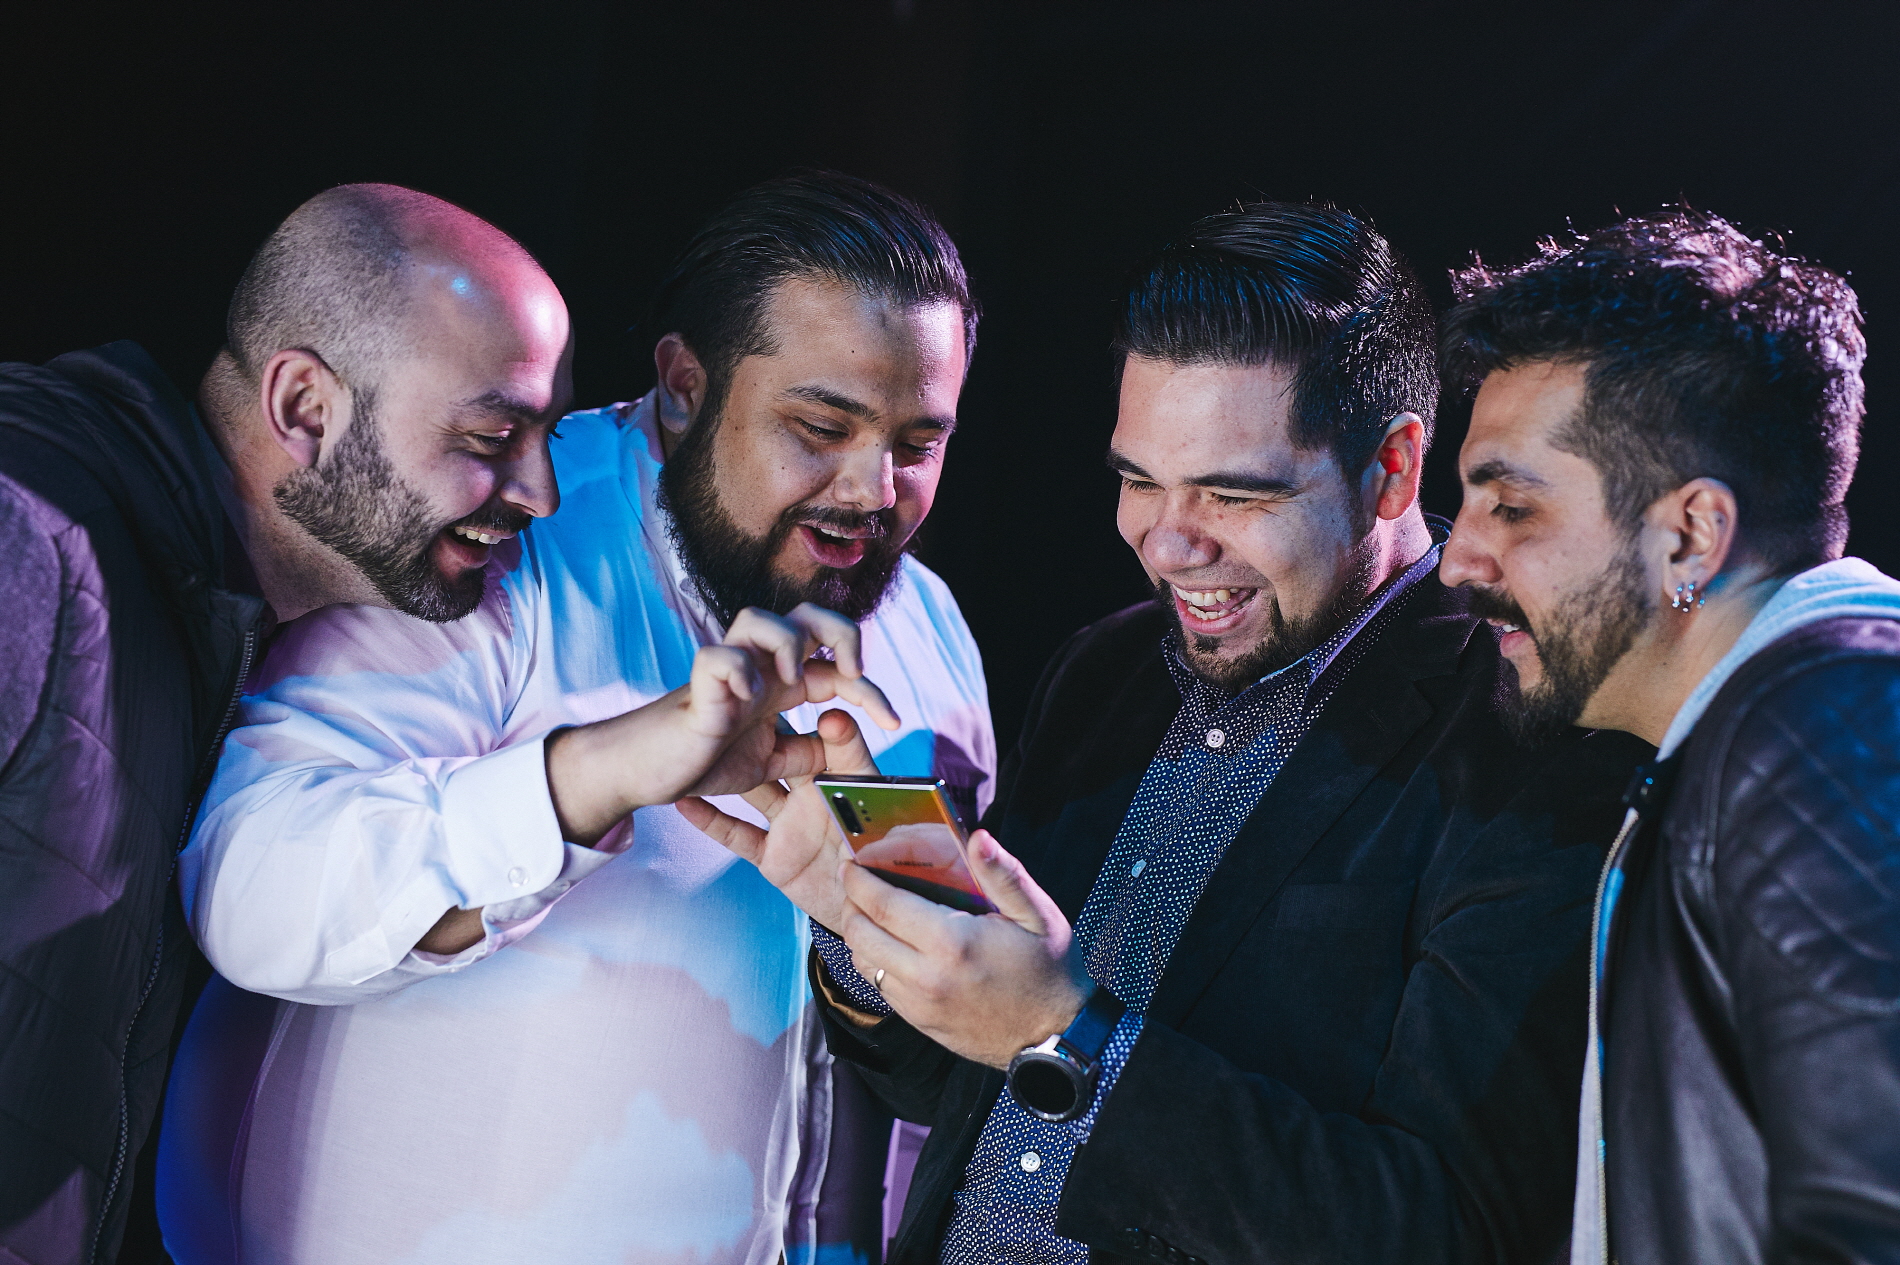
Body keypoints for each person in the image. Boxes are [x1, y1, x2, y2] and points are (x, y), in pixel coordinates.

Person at [689, 202, 1650, 1265]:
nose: (1166, 544)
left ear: (1392, 467)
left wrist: (1069, 1036)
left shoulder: (1531, 737)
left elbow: (1447, 1231)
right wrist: (874, 901)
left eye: (1233, 494)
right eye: (1138, 481)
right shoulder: (1105, 670)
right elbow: (956, 1088)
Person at [158, 171, 995, 1265]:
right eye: (821, 425)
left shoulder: (930, 628)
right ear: (684, 385)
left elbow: (938, 1044)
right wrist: (595, 774)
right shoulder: (486, 551)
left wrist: (881, 920)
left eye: (918, 443)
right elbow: (247, 890)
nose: (873, 490)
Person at [0, 181, 567, 1264]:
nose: (540, 490)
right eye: (494, 433)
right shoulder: (29, 527)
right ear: (305, 407)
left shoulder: (195, 604)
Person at [1438, 209, 1900, 1265]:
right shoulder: (1777, 732)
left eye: (1511, 507)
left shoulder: (1824, 733)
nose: (1457, 559)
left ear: (1689, 536)